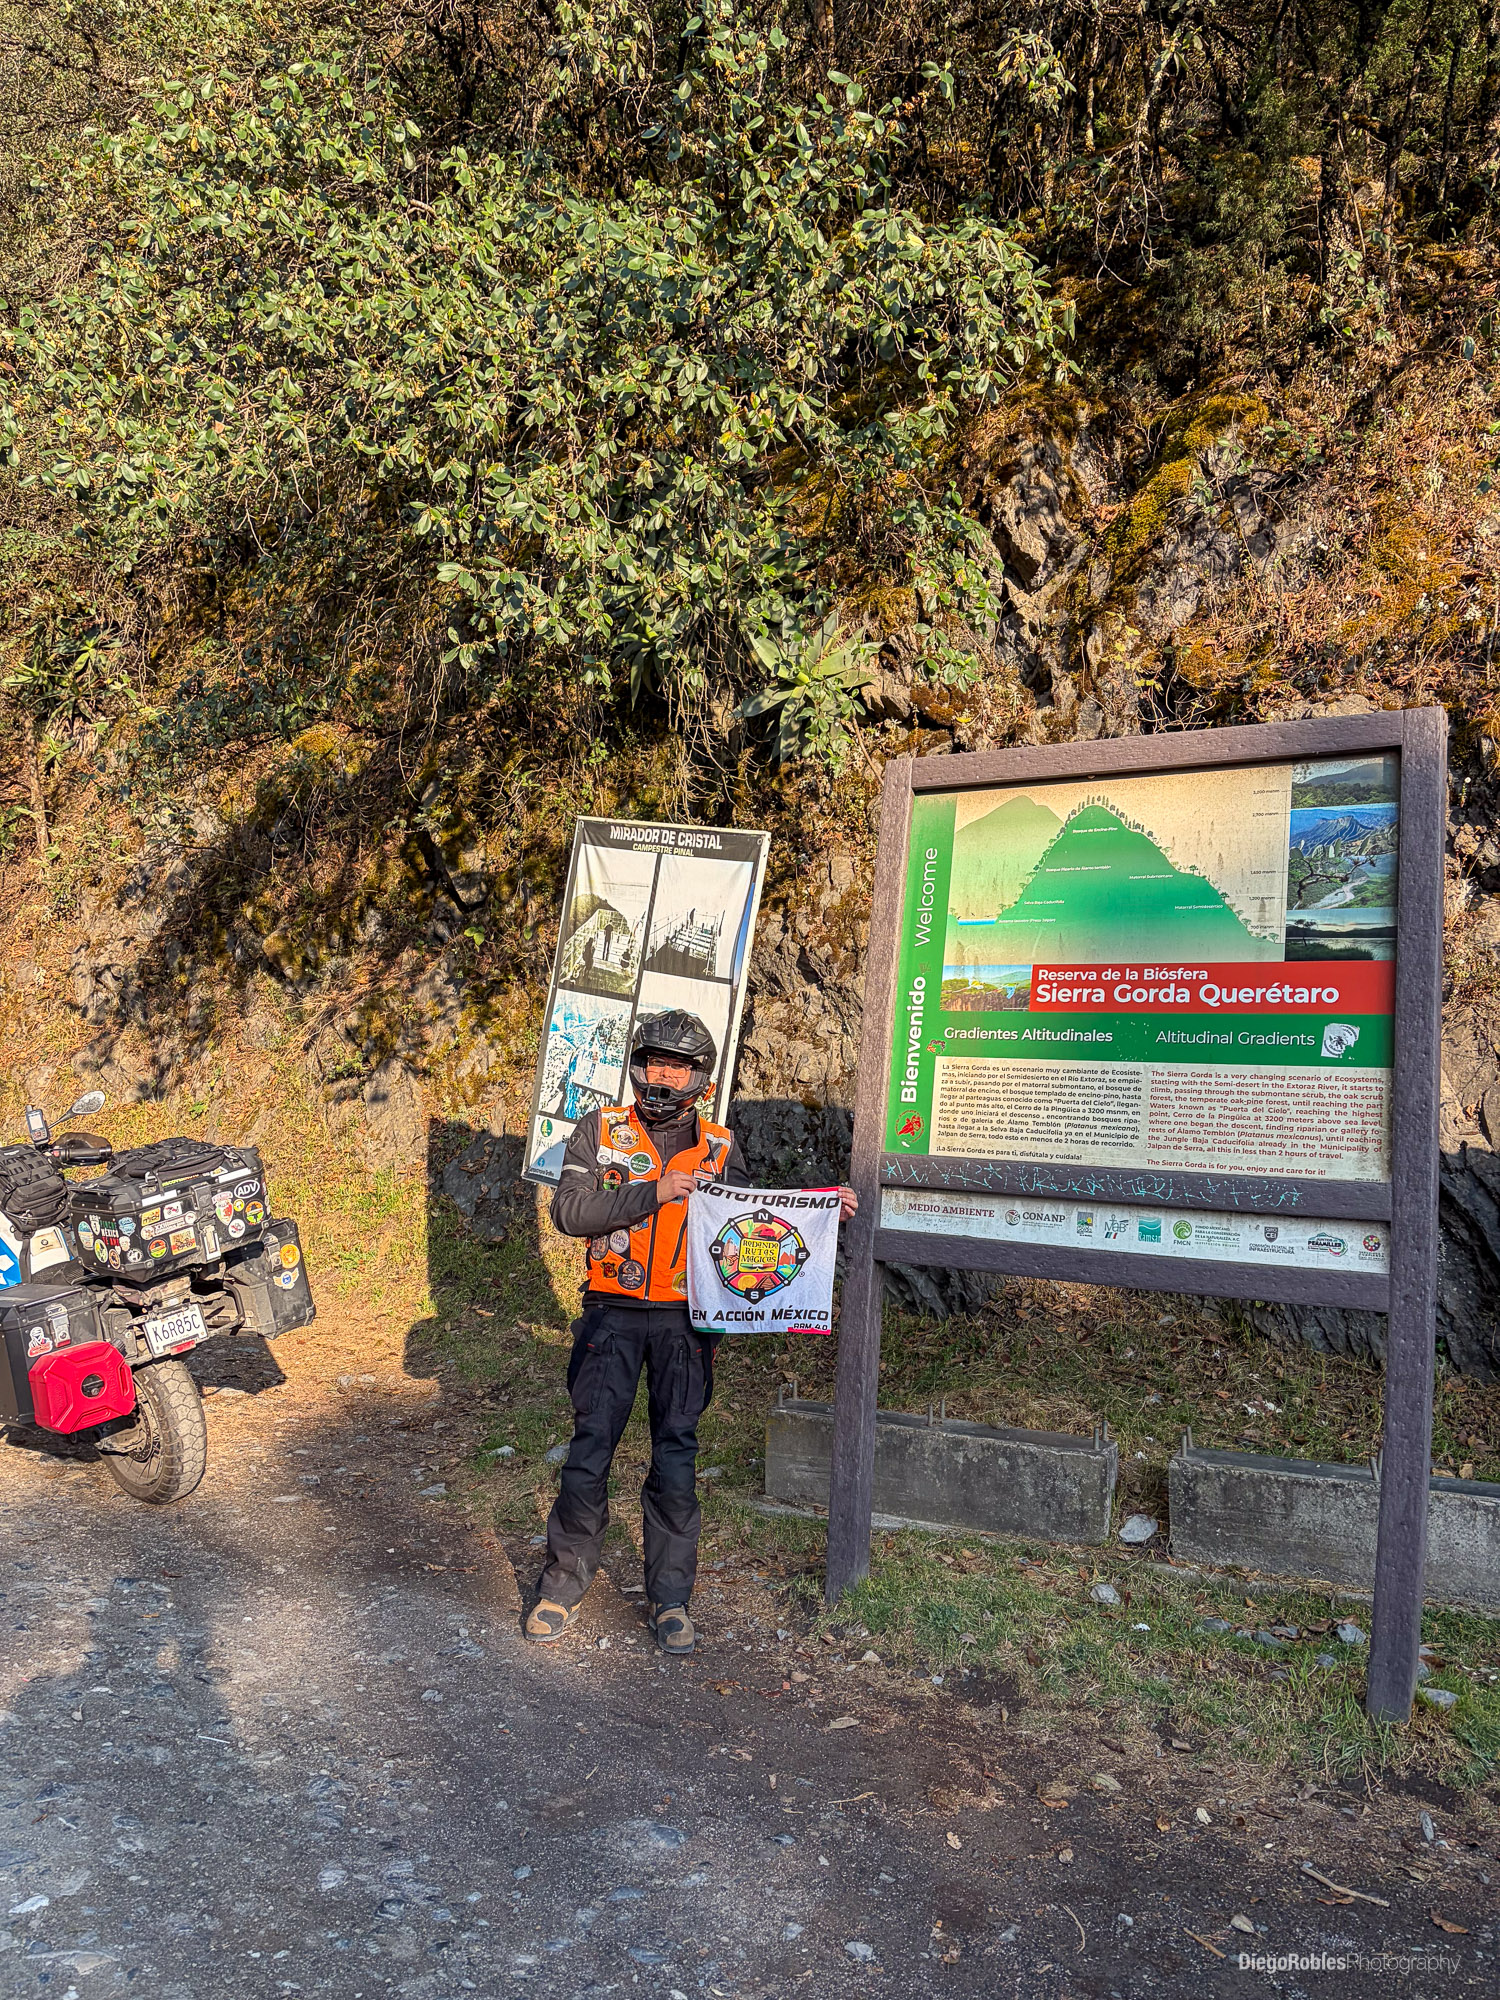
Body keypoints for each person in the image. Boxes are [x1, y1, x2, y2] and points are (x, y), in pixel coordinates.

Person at [527, 1008, 855, 1655]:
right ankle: (561, 1585)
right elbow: (569, 1212)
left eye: (675, 1064)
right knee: (589, 1453)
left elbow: (751, 1223)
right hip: (611, 1317)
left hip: (687, 1323)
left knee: (675, 1460)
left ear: (699, 1075)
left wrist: (822, 1203)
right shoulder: (600, 1129)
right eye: (652, 1061)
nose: (660, 1075)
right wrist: (656, 1189)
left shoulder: (722, 1146)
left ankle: (671, 1599)